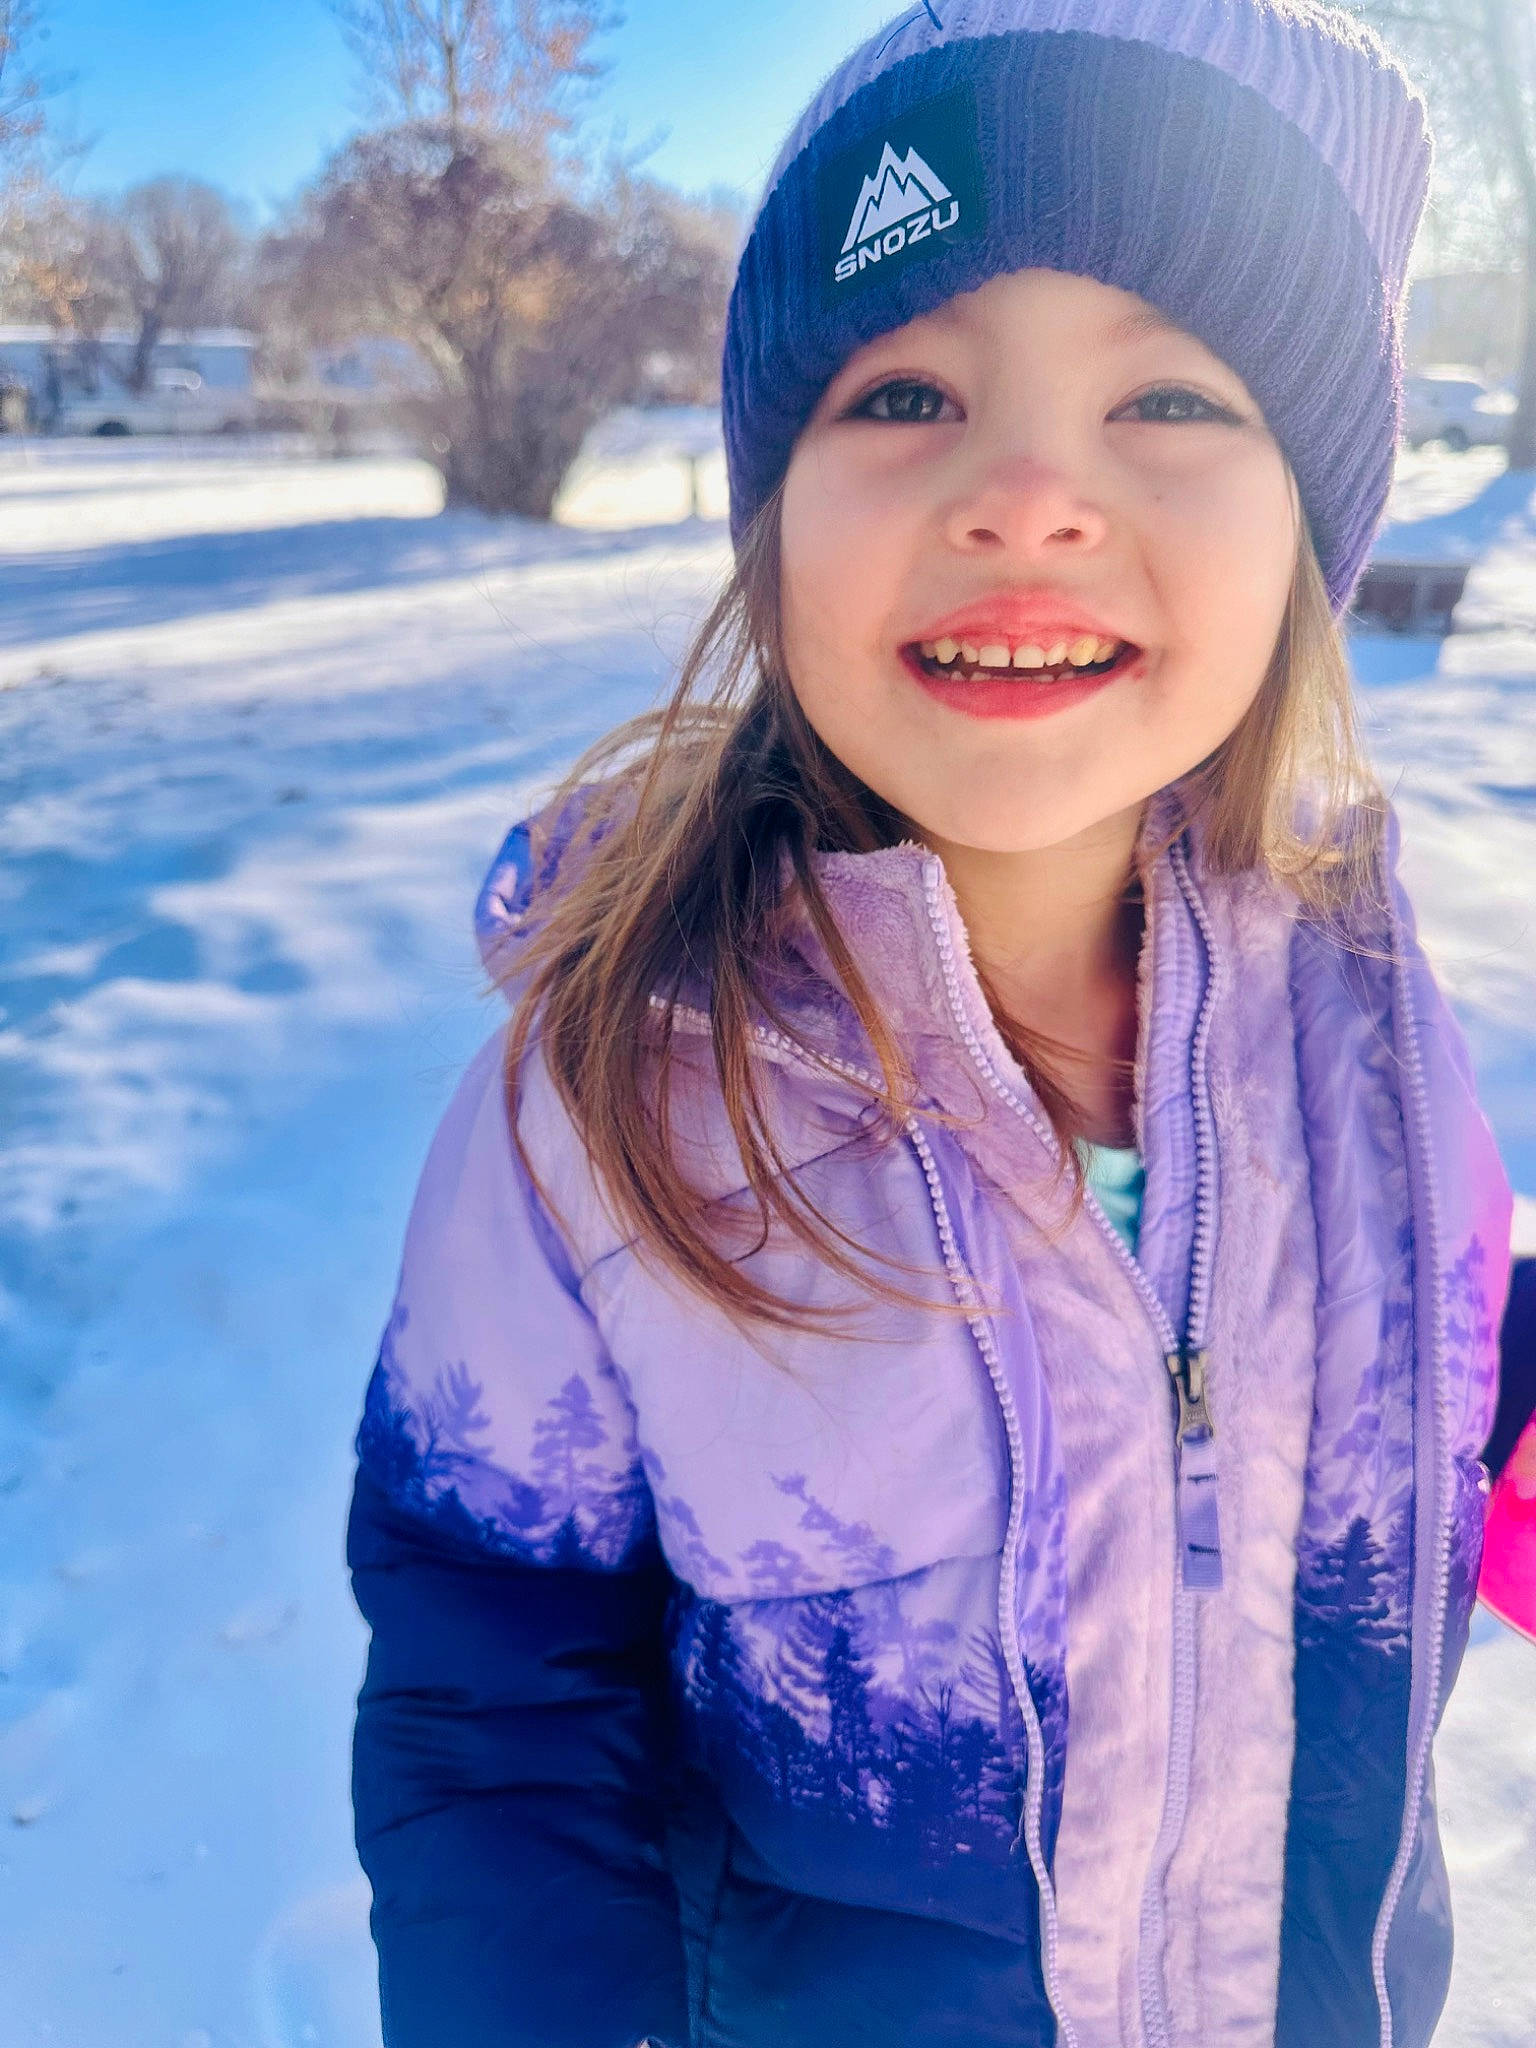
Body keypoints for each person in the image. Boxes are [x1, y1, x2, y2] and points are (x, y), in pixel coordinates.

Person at [344, 4, 1519, 2045]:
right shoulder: (613, 1092)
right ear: (772, 519)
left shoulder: (1360, 1010)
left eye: (1169, 396)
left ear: (1309, 555)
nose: (1030, 493)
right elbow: (490, 1699)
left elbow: (1426, 1350)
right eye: (905, 389)